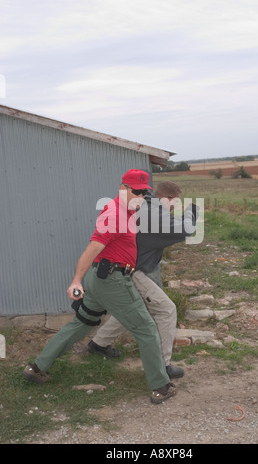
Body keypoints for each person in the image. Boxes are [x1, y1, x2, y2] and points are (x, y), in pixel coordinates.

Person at [22, 169, 176, 404]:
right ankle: (161, 386)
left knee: (81, 324)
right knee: (146, 329)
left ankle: (37, 367)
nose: (140, 196)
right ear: (123, 188)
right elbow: (92, 249)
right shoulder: (114, 214)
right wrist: (75, 281)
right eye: (136, 191)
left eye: (144, 193)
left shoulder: (127, 209)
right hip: (113, 280)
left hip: (102, 278)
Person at [87, 181, 198, 379]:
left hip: (124, 267)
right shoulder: (154, 214)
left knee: (134, 308)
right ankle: (162, 365)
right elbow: (185, 230)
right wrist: (192, 210)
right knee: (166, 309)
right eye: (175, 203)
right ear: (168, 199)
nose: (174, 207)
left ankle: (98, 344)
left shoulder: (143, 206)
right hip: (134, 271)